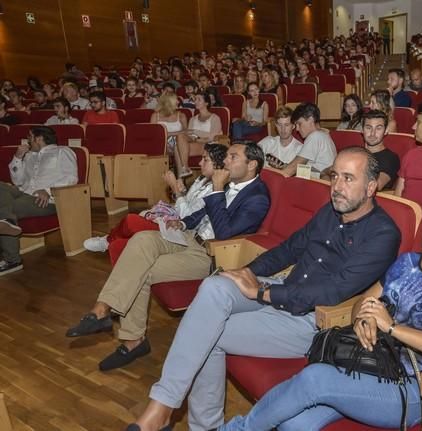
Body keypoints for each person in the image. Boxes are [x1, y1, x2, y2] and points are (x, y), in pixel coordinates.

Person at [128, 147, 402, 431]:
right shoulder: (330, 213)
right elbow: (288, 249)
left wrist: (262, 293)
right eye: (334, 177)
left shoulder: (383, 234)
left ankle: (200, 425)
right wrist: (248, 271)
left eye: (348, 178)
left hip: (315, 319)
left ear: (371, 187)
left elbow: (331, 292)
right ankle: (163, 405)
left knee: (206, 330)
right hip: (285, 287)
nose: (336, 187)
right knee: (214, 287)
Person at [220, 183, 422, 430]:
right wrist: (364, 319)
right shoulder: (408, 263)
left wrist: (392, 327)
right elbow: (364, 301)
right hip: (370, 364)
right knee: (294, 424)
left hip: (415, 387)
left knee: (314, 379)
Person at [65, 142, 270, 371]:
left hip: (211, 255)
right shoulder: (232, 183)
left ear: (251, 165)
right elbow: (203, 214)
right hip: (190, 237)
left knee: (141, 270)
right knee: (141, 239)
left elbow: (224, 234)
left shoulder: (257, 197)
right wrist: (182, 222)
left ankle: (131, 339)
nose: (226, 161)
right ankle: (102, 308)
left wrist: (218, 189)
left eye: (233, 157)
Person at [83, 144, 227, 259]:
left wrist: (175, 190)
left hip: (184, 231)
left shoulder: (216, 190)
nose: (200, 162)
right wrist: (182, 192)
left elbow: (187, 217)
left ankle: (107, 241)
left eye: (205, 159)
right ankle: (110, 242)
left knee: (131, 221)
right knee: (129, 233)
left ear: (218, 165)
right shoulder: (202, 179)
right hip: (176, 222)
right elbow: (188, 205)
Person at [1, 127, 77, 275]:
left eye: (30, 137)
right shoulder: (29, 156)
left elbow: (71, 178)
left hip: (46, 200)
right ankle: (7, 221)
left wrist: (48, 190)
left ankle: (12, 260)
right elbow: (18, 181)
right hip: (23, 192)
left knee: (8, 208)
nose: (27, 141)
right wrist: (17, 158)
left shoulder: (63, 151)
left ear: (39, 138)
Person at [280, 103, 336, 178]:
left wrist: (275, 178)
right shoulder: (323, 135)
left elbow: (291, 169)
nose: (297, 129)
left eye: (299, 124)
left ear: (311, 119)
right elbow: (315, 171)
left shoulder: (315, 136)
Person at [177, 93, 223, 178]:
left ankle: (182, 177)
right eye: (195, 100)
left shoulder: (214, 118)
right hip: (196, 142)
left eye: (199, 100)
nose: (196, 102)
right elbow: (190, 134)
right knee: (180, 137)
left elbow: (213, 136)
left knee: (178, 148)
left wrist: (196, 134)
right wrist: (196, 137)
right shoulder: (193, 119)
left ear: (206, 103)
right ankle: (184, 169)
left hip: (209, 145)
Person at [150, 93, 189, 176]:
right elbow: (154, 134)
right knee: (175, 142)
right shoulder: (155, 116)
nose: (178, 102)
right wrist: (176, 133)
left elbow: (186, 133)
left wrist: (169, 134)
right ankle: (181, 177)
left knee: (176, 144)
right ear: (168, 102)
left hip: (177, 144)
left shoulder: (181, 115)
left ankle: (180, 177)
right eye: (176, 100)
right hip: (161, 144)